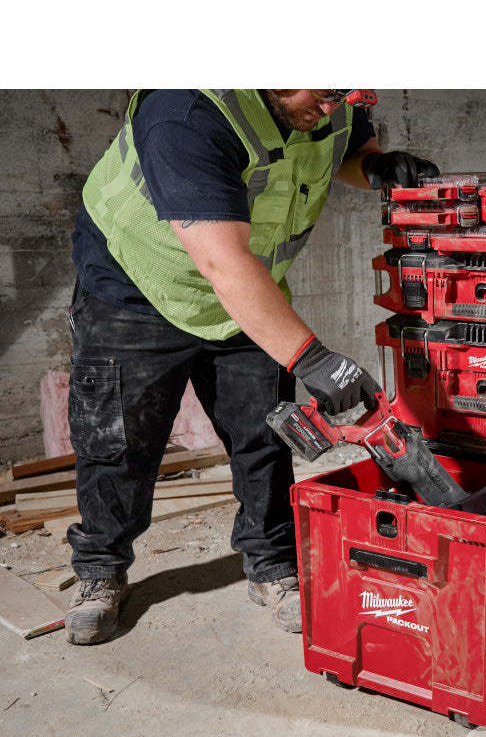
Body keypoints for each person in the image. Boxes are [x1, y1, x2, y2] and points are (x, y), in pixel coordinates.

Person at [64, 88, 438, 645]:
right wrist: (312, 358)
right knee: (119, 441)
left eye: (348, 95)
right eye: (327, 94)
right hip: (137, 286)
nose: (335, 107)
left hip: (247, 290)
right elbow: (222, 262)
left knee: (263, 436)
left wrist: (373, 166)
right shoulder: (186, 111)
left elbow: (345, 151)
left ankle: (272, 565)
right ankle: (100, 568)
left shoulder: (330, 91)